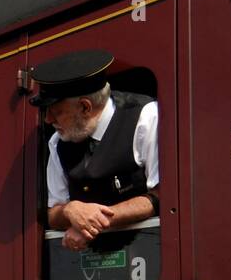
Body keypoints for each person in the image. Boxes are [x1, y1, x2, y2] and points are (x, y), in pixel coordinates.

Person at [30, 49, 160, 250]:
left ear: (85, 107)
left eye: (56, 112)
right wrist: (70, 211)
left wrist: (90, 223)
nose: (48, 120)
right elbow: (52, 213)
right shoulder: (58, 142)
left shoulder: (145, 117)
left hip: (149, 250)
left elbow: (160, 196)